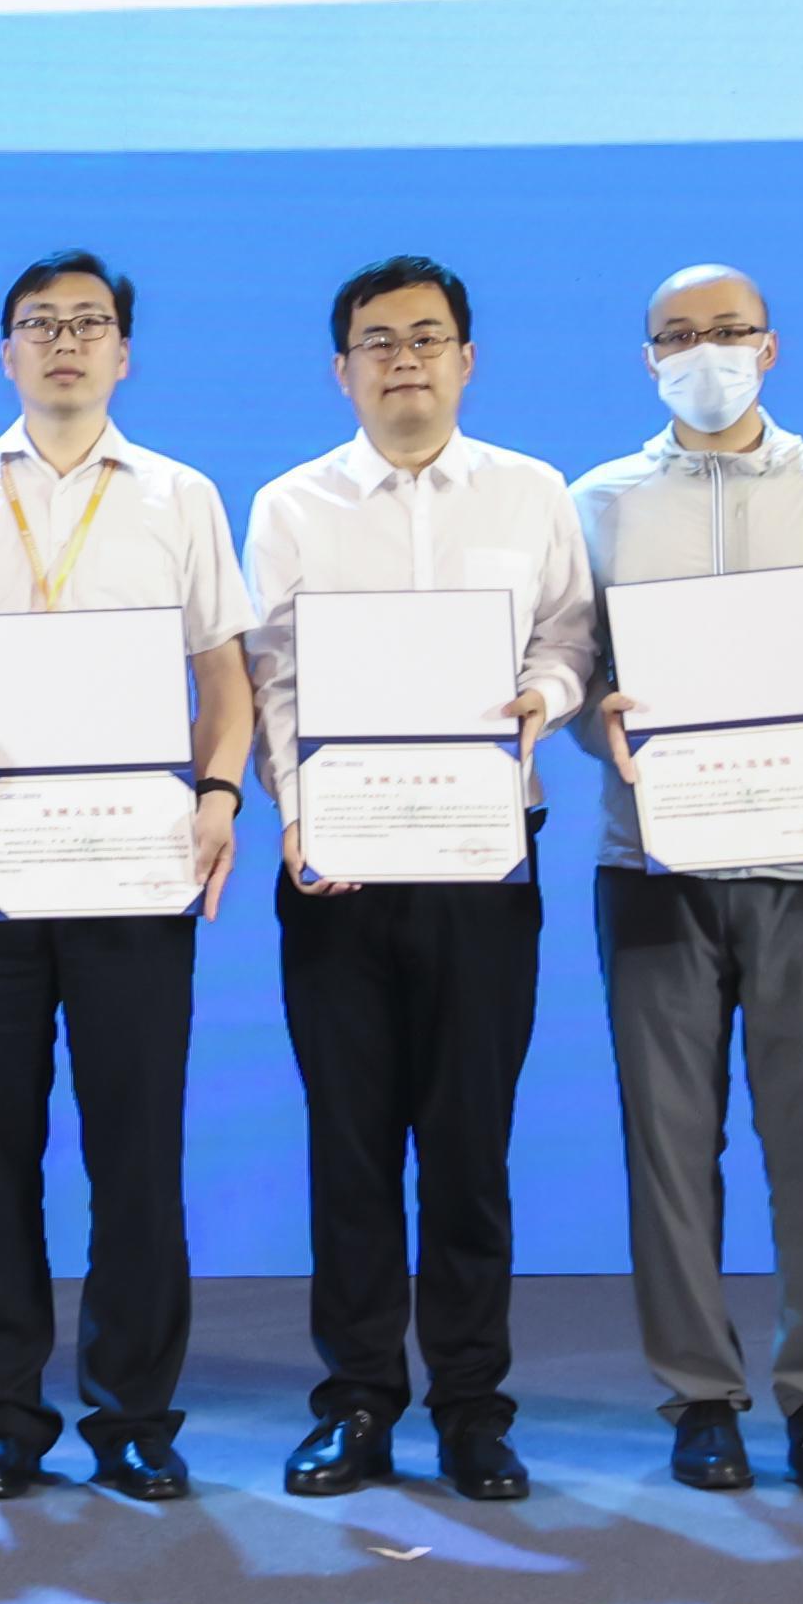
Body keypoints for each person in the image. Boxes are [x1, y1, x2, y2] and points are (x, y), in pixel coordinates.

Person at [0, 251, 256, 1503]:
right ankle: (1, 1412)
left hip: (137, 849)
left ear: (124, 354)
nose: (64, 342)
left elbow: (226, 679)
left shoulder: (180, 496)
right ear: (6, 352)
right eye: (39, 324)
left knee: (136, 1142)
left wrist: (218, 797)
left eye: (89, 324)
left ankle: (136, 1413)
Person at [243, 253, 594, 1506]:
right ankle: (355, 1400)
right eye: (379, 342)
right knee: (348, 1148)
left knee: (467, 1147)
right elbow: (273, 676)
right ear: (341, 369)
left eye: (427, 338)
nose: (405, 360)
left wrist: (544, 697)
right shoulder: (291, 505)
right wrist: (300, 814)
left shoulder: (531, 493)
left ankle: (472, 1407)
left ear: (467, 359)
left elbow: (569, 634)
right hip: (337, 871)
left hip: (482, 863)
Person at [569, 263, 803, 1502]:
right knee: (668, 1144)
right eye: (676, 337)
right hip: (652, 862)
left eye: (726, 332)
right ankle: (699, 1396)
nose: (702, 354)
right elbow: (573, 672)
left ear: (770, 348)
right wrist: (597, 720)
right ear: (647, 360)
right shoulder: (599, 502)